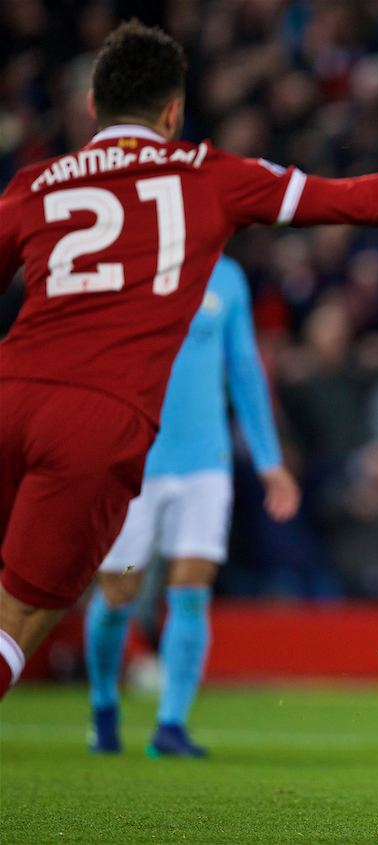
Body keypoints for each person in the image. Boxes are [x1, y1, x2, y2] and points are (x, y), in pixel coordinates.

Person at [0, 19, 378, 701]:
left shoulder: (34, 183)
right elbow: (358, 199)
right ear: (174, 112)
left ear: (91, 107)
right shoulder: (210, 174)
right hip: (95, 420)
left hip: (11, 392)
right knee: (22, 617)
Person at [85, 254, 299, 757]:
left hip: (207, 463)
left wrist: (269, 459)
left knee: (190, 590)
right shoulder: (127, 262)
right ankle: (102, 704)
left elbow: (244, 368)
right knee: (121, 592)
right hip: (135, 462)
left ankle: (170, 725)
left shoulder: (226, 276)